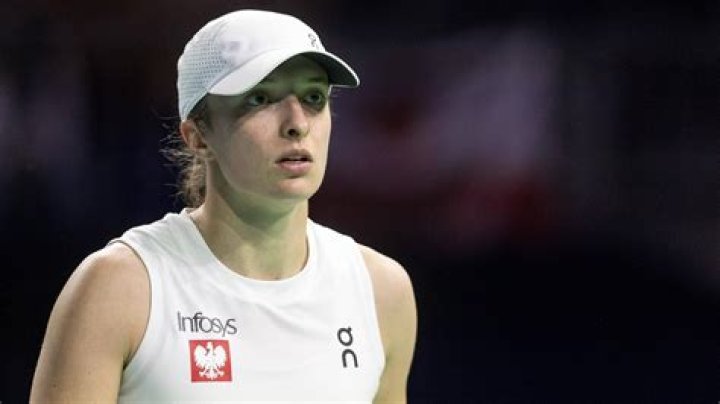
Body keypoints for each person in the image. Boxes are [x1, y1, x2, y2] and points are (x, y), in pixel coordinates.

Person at [30, 9, 417, 403]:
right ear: (198, 136)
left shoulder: (381, 291)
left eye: (313, 97)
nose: (297, 123)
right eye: (260, 98)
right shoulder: (120, 289)